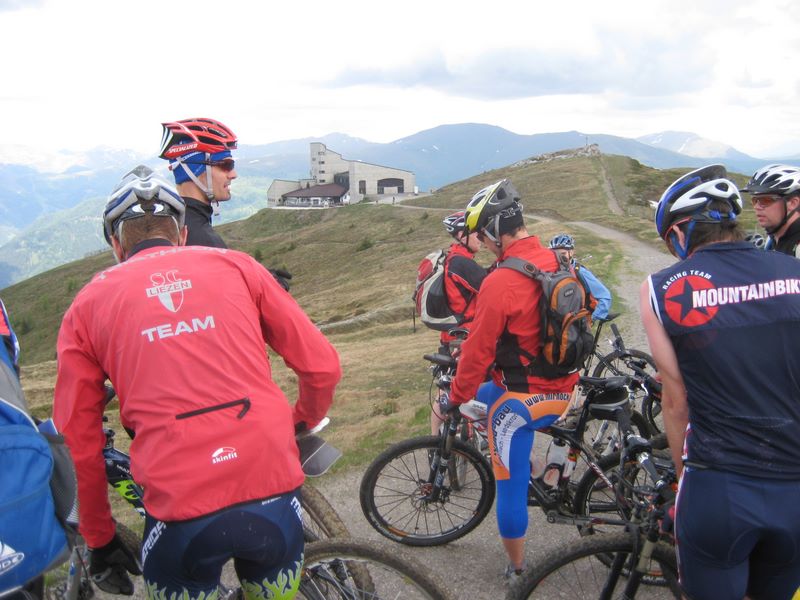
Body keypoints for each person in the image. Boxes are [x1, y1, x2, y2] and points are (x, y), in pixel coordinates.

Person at [53, 165, 341, 599]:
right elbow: (322, 367)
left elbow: (77, 438)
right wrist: (299, 420)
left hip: (180, 510)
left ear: (116, 244)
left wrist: (99, 536)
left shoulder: (87, 305)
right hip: (270, 486)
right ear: (183, 234)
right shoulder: (238, 266)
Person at [640, 164, 800, 599]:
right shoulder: (792, 269)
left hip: (718, 485)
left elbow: (676, 403)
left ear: (680, 232)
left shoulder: (660, 288)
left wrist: (682, 484)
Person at [444, 179, 578, 582]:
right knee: (486, 398)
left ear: (494, 231)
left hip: (525, 400)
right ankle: (534, 464)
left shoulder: (500, 281)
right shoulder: (559, 262)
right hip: (565, 386)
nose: (484, 244)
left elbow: (477, 353)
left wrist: (455, 397)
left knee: (509, 485)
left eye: (483, 236)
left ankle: (517, 569)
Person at [159, 117, 292, 290]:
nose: (233, 174)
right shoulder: (202, 240)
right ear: (195, 170)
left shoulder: (173, 223)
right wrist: (264, 288)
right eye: (225, 165)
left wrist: (259, 277)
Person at [429, 211, 487, 435]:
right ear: (462, 235)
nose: (481, 237)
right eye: (476, 233)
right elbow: (489, 287)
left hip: (452, 335)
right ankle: (440, 440)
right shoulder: (461, 262)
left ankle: (435, 439)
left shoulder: (455, 258)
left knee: (447, 387)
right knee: (458, 387)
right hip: (463, 338)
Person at [548, 233, 612, 321]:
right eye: (555, 254)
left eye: (563, 253)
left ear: (571, 252)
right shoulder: (553, 271)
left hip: (578, 323)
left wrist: (591, 319)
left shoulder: (580, 272)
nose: (559, 257)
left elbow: (605, 296)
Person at [743, 163, 800, 256]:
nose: (757, 207)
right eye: (755, 200)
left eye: (766, 200)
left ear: (793, 203)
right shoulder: (773, 239)